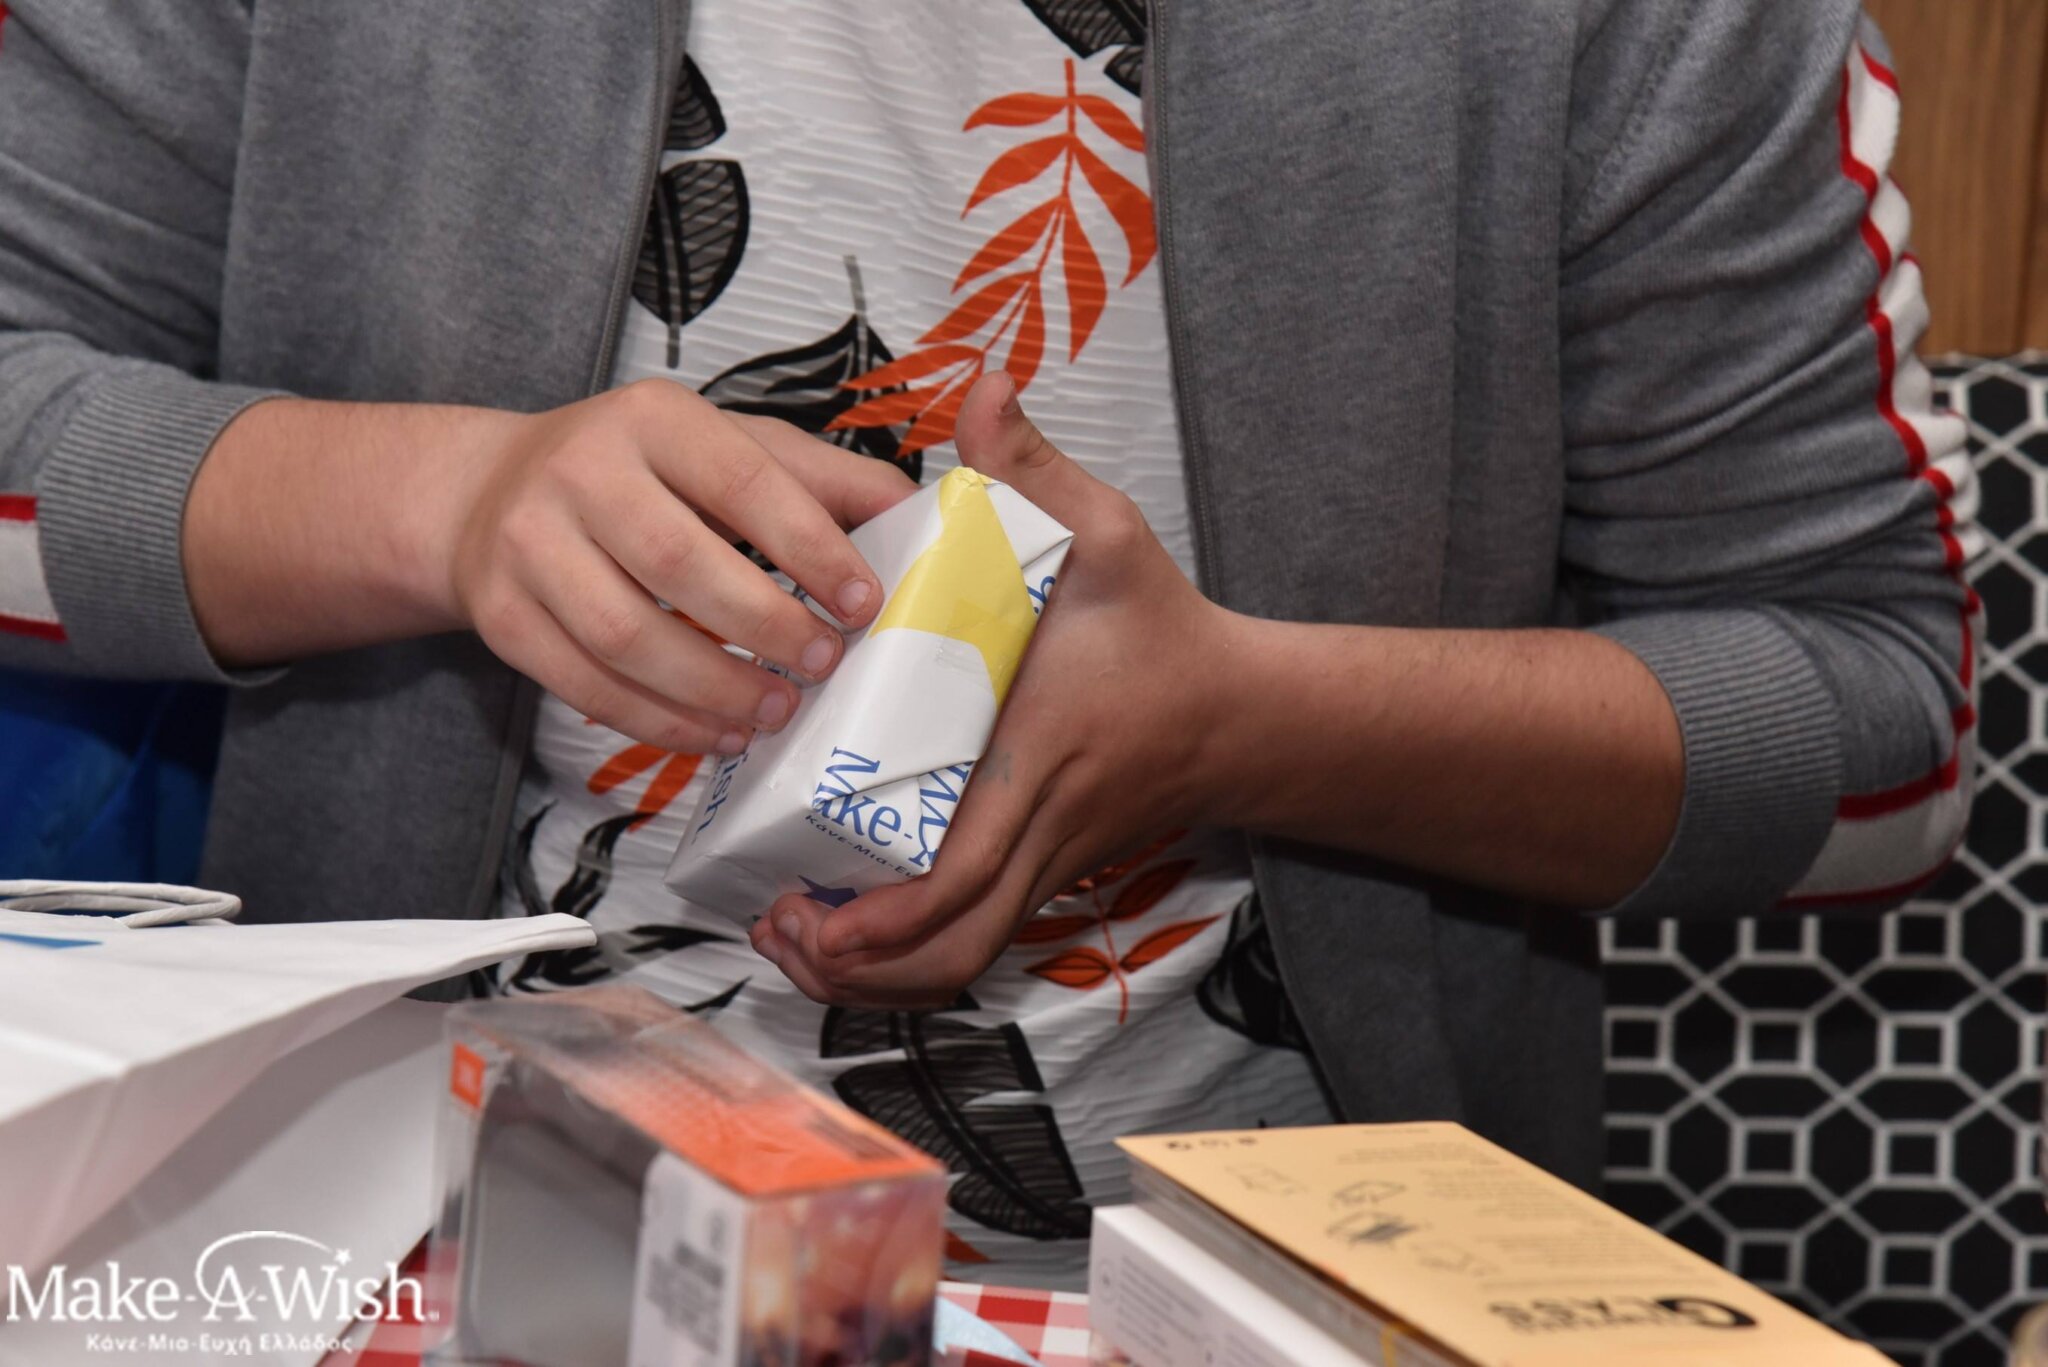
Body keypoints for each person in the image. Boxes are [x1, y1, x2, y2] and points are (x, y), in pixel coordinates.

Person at [0, 0, 1977, 1287]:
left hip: (1268, 1283)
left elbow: (1880, 745)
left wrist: (1244, 725)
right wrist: (447, 507)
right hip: (341, 1247)